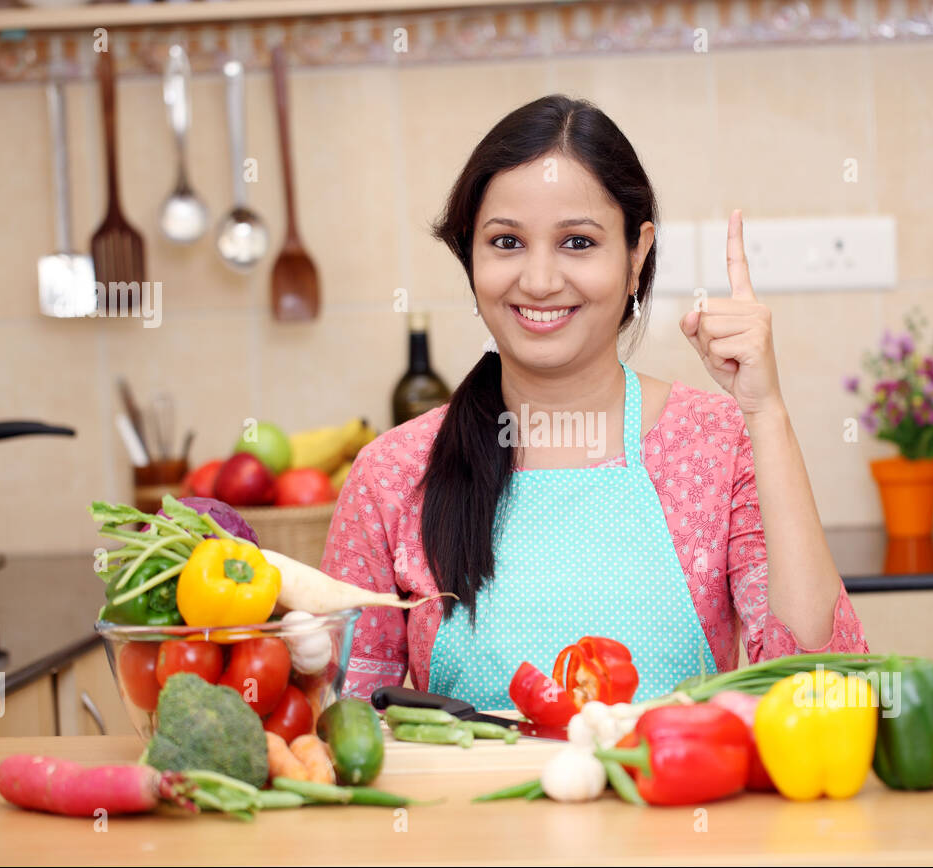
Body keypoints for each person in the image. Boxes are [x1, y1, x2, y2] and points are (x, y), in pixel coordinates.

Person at [321, 94, 867, 708]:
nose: (540, 280)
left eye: (577, 242)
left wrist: (766, 413)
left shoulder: (718, 445)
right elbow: (348, 726)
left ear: (637, 255)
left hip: (680, 801)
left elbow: (826, 690)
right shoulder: (392, 474)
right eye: (506, 242)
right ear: (469, 257)